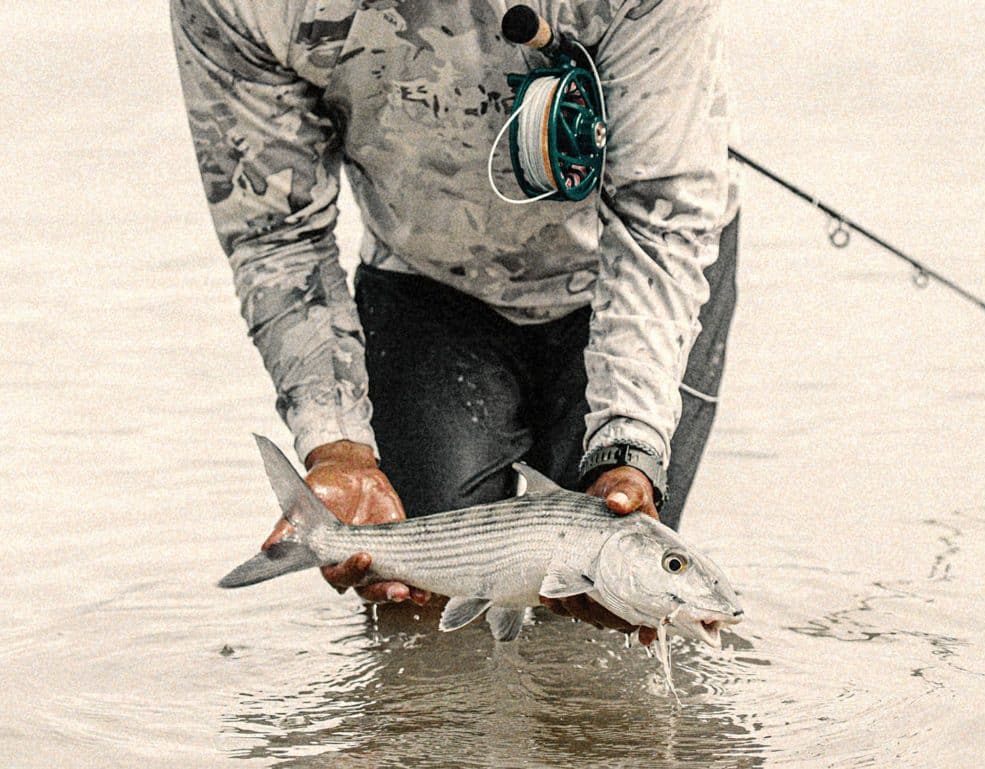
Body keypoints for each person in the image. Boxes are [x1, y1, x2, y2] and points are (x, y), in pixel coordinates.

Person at [171, 0, 739, 643]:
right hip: (424, 279)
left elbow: (658, 223)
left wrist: (628, 446)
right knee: (417, 616)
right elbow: (275, 234)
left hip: (637, 262)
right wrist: (336, 441)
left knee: (609, 613)